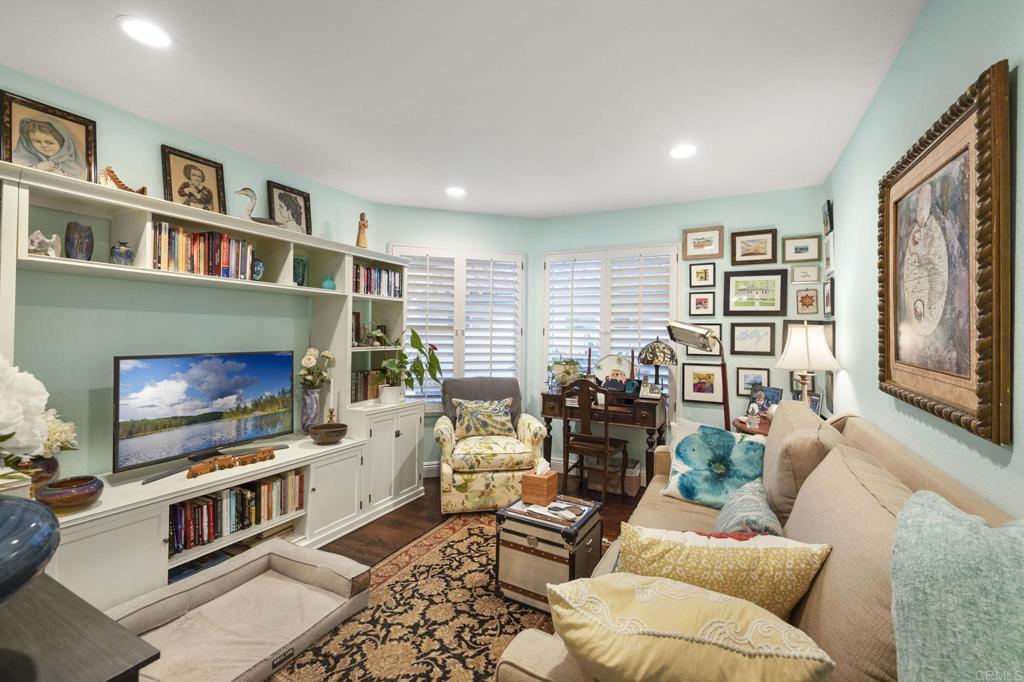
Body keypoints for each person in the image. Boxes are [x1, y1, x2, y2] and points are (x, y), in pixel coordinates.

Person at [13, 118, 87, 178]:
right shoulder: (19, 158)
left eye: (49, 142)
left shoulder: (76, 166)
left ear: (63, 143)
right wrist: (37, 168)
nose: (43, 146)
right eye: (37, 141)